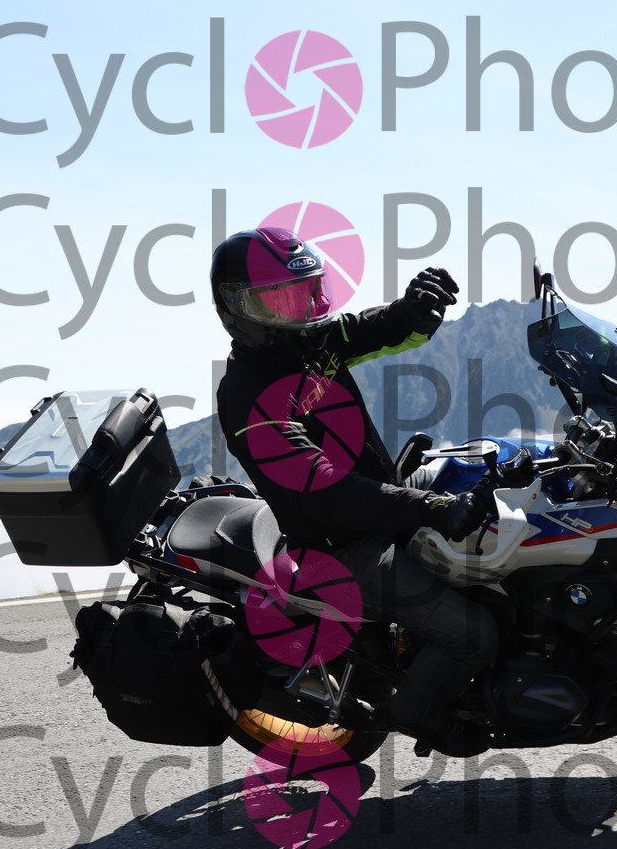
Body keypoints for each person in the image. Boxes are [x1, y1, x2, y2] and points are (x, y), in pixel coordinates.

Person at [211, 226, 496, 757]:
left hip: (383, 500)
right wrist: (430, 508)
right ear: (240, 308)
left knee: (484, 477)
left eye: (307, 292)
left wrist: (415, 308)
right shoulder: (251, 397)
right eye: (281, 299)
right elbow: (324, 490)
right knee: (474, 635)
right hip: (342, 549)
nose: (303, 309)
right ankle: (415, 714)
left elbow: (369, 329)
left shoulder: (308, 344)